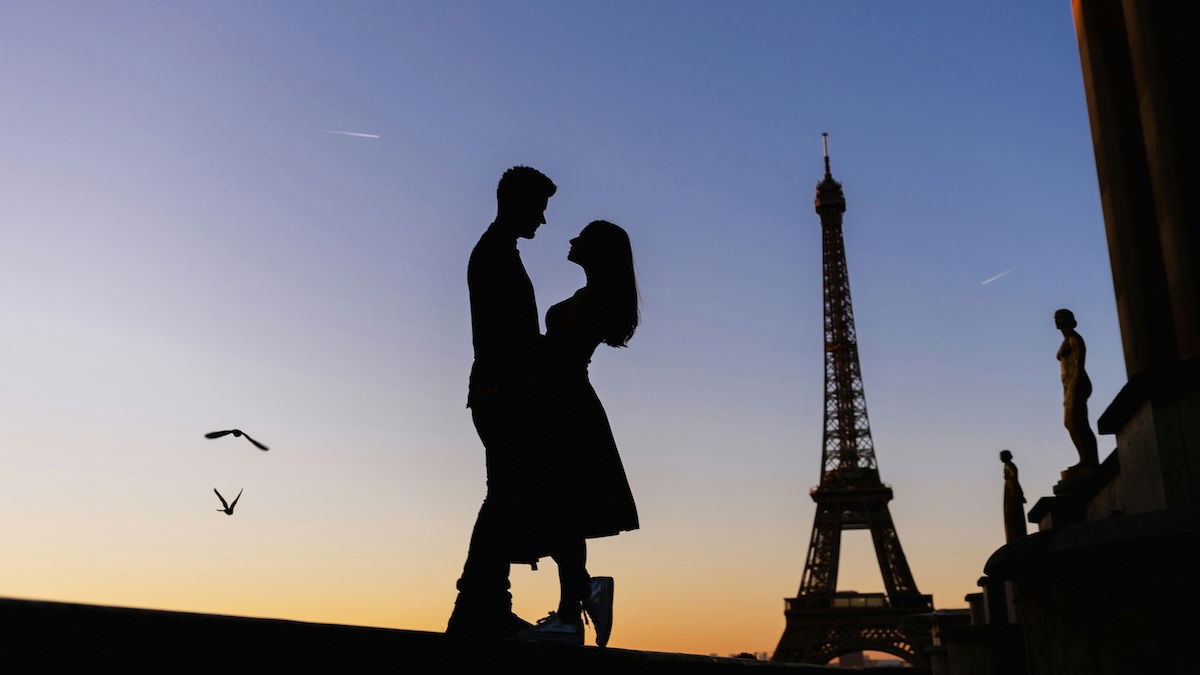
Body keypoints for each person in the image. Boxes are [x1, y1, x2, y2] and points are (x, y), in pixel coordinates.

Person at [518, 220, 640, 647]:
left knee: (560, 510)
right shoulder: (593, 299)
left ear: (598, 252)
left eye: (582, 238)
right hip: (564, 404)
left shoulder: (594, 301)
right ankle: (578, 599)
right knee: (560, 510)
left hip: (565, 407)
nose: (571, 240)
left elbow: (559, 353)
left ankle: (574, 609)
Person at [447, 166, 557, 638]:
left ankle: (483, 600)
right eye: (541, 209)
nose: (544, 221)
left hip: (497, 389)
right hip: (501, 391)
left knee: (504, 494)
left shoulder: (496, 251)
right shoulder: (495, 255)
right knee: (503, 495)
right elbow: (506, 338)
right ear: (518, 203)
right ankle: (479, 602)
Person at [1055, 308, 1099, 473]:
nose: (1056, 321)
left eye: (1059, 318)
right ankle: (1085, 459)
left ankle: (1089, 461)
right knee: (1072, 423)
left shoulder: (1074, 338)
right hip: (1069, 386)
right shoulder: (1067, 339)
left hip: (1077, 383)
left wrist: (1073, 386)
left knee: (1076, 423)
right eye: (1055, 318)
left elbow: (1078, 364)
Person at [1000, 450, 1026, 543]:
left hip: (1012, 490)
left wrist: (1020, 494)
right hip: (1009, 489)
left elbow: (1015, 480)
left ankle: (1015, 536)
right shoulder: (1007, 466)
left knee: (1014, 514)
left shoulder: (1011, 466)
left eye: (1002, 456)